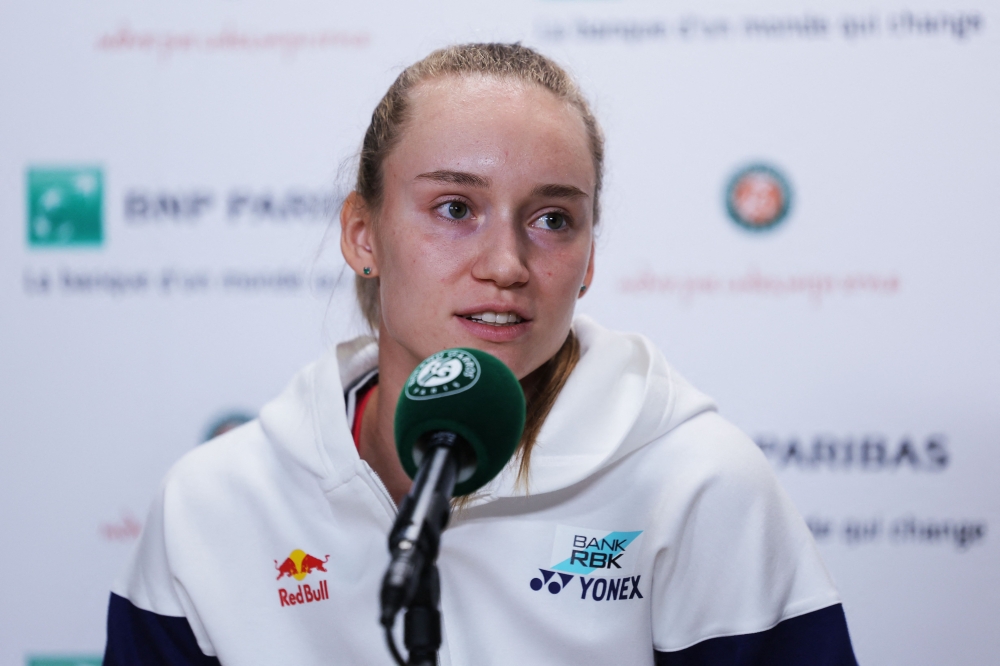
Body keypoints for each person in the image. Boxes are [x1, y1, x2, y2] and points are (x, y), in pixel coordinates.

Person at [104, 43, 858, 665]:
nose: (507, 262)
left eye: (554, 219)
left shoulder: (697, 481)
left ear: (589, 258)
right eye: (456, 208)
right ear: (362, 235)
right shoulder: (214, 506)